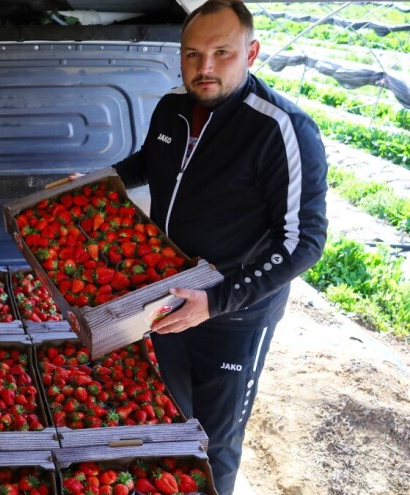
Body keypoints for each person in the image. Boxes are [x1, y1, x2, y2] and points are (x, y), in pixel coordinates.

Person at [104, 1, 328, 493]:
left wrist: (218, 300)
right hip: (167, 297)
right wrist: (98, 184)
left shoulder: (281, 129)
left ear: (251, 52)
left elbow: (304, 243)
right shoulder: (171, 109)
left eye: (221, 52)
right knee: (172, 415)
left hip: (234, 318)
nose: (204, 68)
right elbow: (150, 161)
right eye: (192, 54)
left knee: (217, 441)